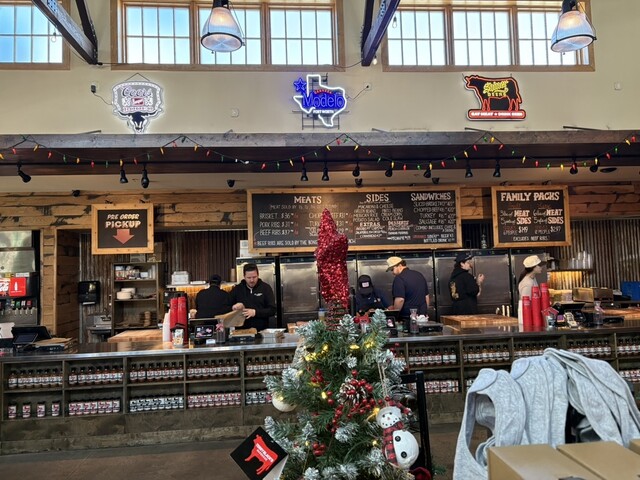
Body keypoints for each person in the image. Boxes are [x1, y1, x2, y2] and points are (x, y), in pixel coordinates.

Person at [229, 263, 277, 331]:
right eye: (249, 278)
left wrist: (255, 312)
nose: (252, 280)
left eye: (254, 277)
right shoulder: (237, 289)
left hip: (261, 331)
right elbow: (226, 308)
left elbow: (272, 310)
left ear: (258, 275)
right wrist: (233, 307)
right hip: (241, 331)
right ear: (244, 276)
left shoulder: (266, 288)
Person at [386, 256, 430, 322]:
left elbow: (400, 299)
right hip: (422, 317)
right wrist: (424, 311)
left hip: (407, 318)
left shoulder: (399, 278)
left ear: (399, 265)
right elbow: (426, 297)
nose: (392, 273)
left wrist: (394, 314)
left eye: (392, 269)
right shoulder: (419, 275)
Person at [517, 255, 546, 323]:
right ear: (533, 267)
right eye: (539, 265)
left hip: (533, 316)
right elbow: (527, 304)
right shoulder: (527, 283)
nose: (541, 267)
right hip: (528, 318)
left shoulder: (532, 278)